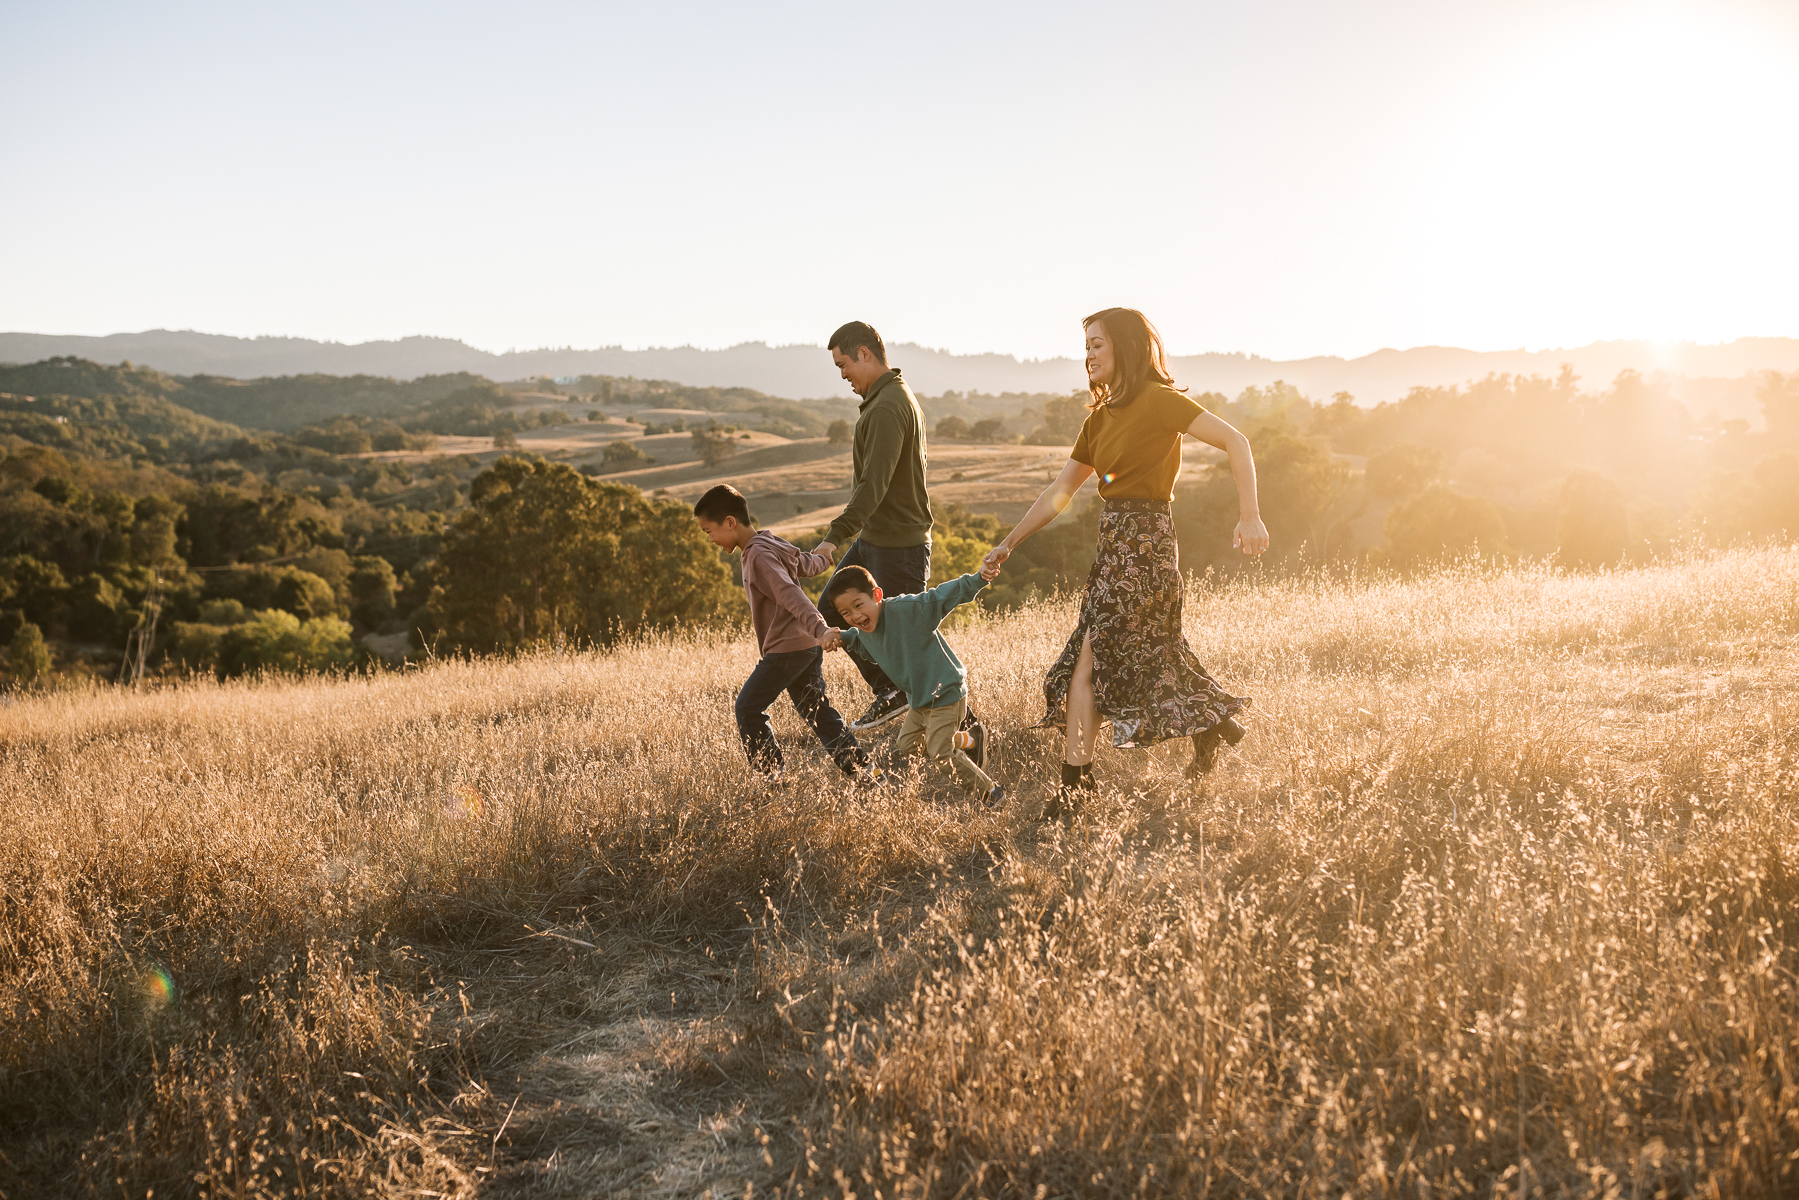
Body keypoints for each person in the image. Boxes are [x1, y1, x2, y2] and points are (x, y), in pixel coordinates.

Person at [981, 308, 1268, 816]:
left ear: (1126, 349)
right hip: (1112, 545)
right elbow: (1061, 490)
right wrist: (1010, 542)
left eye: (1097, 344)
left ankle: (1074, 786)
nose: (1087, 355)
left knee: (1090, 659)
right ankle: (1211, 723)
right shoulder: (1097, 419)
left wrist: (1250, 515)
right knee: (1149, 656)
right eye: (1086, 346)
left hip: (1149, 546)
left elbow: (1236, 442)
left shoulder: (1160, 402)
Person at [693, 484, 871, 782]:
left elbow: (791, 595)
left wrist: (821, 627)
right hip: (805, 645)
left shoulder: (757, 556)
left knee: (748, 707)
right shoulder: (769, 542)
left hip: (788, 648)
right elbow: (805, 563)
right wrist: (825, 554)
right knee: (817, 711)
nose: (709, 538)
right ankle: (864, 771)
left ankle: (771, 779)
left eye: (708, 531)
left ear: (730, 522)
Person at [821, 564, 1003, 807]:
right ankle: (971, 740)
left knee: (939, 752)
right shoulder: (864, 630)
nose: (854, 616)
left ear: (876, 595)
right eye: (845, 613)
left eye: (858, 605)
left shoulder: (907, 610)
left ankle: (990, 792)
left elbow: (942, 595)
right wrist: (841, 637)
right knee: (907, 744)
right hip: (918, 699)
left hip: (945, 691)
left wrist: (980, 578)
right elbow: (859, 641)